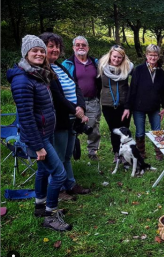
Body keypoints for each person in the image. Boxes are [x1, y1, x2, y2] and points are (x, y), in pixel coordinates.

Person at [7, 35, 72, 231]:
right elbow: (26, 118)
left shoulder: (38, 74)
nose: (39, 53)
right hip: (38, 137)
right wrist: (37, 146)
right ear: (26, 53)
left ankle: (40, 206)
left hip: (45, 131)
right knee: (59, 174)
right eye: (34, 50)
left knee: (43, 171)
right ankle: (50, 215)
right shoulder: (22, 80)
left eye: (41, 50)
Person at [39, 32, 91, 200]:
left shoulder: (58, 66)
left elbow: (76, 87)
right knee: (59, 157)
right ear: (42, 48)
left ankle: (70, 183)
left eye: (57, 46)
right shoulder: (43, 69)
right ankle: (59, 189)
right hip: (59, 119)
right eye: (51, 46)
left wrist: (81, 107)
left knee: (68, 155)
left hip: (71, 119)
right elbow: (57, 96)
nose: (55, 49)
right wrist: (74, 110)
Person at [62, 36, 101, 161]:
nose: (81, 47)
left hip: (93, 100)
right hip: (74, 102)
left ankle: (92, 151)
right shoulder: (67, 64)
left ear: (88, 48)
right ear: (73, 48)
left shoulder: (95, 63)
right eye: (78, 45)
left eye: (83, 45)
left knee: (93, 127)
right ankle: (72, 148)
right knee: (73, 127)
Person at [128, 44, 164, 161]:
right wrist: (129, 107)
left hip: (154, 107)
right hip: (138, 107)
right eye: (150, 55)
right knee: (140, 131)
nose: (153, 58)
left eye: (155, 55)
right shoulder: (139, 70)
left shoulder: (160, 72)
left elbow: (163, 91)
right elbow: (133, 89)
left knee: (157, 131)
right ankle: (141, 153)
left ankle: (159, 153)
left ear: (158, 57)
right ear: (146, 55)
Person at [97, 45, 134, 162]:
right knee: (114, 130)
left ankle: (126, 154)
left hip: (124, 105)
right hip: (108, 105)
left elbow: (137, 81)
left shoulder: (128, 67)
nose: (117, 59)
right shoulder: (101, 67)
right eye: (115, 57)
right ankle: (117, 153)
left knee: (124, 129)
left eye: (120, 57)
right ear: (110, 55)